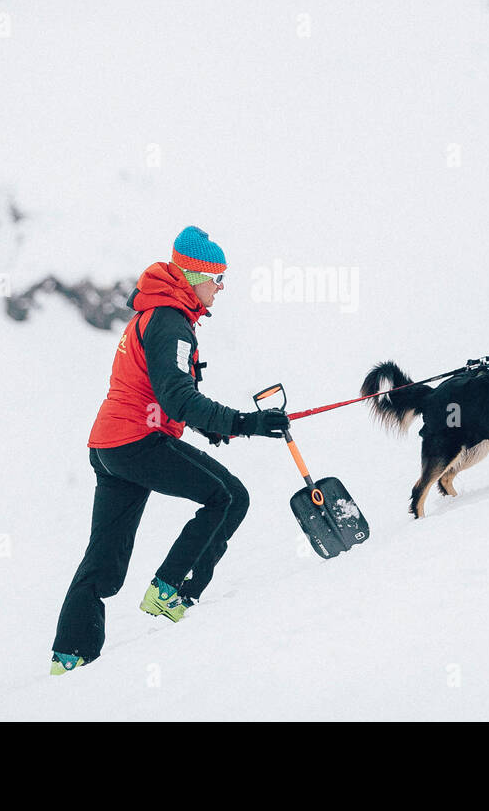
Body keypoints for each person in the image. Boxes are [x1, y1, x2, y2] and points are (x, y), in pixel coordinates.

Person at [50, 226, 290, 674]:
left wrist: (212, 429)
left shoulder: (155, 314)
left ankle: (70, 655)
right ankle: (171, 592)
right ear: (194, 276)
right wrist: (245, 423)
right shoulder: (170, 322)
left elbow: (165, 395)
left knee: (103, 557)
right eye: (217, 278)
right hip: (137, 442)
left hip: (109, 446)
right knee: (228, 497)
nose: (221, 287)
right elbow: (179, 396)